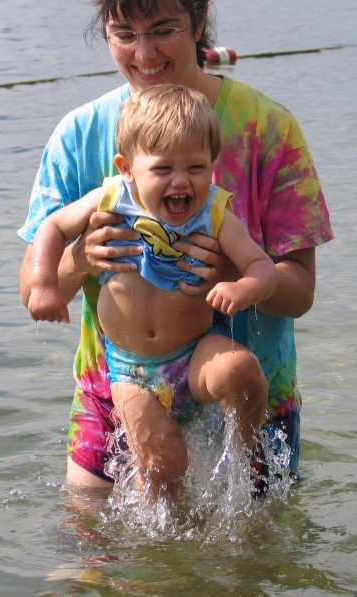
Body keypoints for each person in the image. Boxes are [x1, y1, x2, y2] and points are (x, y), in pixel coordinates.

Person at [18, 0, 333, 492]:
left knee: (252, 541)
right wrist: (81, 259)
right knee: (92, 537)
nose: (144, 53)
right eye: (125, 34)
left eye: (163, 29)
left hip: (249, 394)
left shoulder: (268, 128)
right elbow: (36, 286)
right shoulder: (78, 135)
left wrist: (233, 275)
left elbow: (301, 291)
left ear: (199, 19)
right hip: (118, 385)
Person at [29, 84, 279, 495]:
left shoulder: (215, 212)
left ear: (211, 165)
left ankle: (238, 462)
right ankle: (160, 525)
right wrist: (44, 283)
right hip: (131, 370)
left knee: (241, 369)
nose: (181, 181)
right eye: (163, 169)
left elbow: (262, 266)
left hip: (194, 355)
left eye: (196, 167)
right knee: (165, 466)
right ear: (127, 168)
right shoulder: (112, 197)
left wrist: (245, 287)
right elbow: (52, 226)